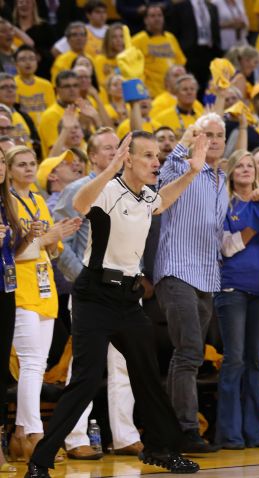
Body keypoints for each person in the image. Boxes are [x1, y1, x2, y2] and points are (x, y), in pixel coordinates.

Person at [24, 131, 208, 478]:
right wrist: (110, 168)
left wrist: (192, 171)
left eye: (157, 156)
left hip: (128, 297)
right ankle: (40, 461)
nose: (157, 162)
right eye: (148, 156)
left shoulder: (147, 194)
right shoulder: (107, 191)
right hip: (94, 296)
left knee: (147, 375)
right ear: (129, 159)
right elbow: (79, 204)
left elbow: (162, 202)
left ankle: (161, 449)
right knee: (87, 379)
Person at [51, 128, 143, 459]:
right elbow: (61, 243)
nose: (114, 154)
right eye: (106, 149)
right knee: (85, 364)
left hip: (126, 288)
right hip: (92, 289)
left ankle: (125, 435)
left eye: (118, 148)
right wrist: (84, 279)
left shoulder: (133, 189)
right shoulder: (78, 190)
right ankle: (75, 437)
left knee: (124, 363)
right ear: (91, 156)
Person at [153, 114, 231, 453]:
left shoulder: (222, 178)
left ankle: (176, 429)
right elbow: (165, 171)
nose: (213, 140)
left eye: (218, 135)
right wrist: (187, 139)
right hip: (177, 270)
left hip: (207, 274)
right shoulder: (180, 169)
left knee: (188, 355)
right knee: (188, 353)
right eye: (206, 135)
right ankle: (185, 431)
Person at [5, 146, 81, 462]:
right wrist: (48, 238)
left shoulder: (38, 201)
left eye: (32, 163)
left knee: (37, 364)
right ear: (8, 170)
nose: (27, 168)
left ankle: (22, 435)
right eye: (20, 164)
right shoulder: (6, 202)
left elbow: (51, 250)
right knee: (31, 365)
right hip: (20, 288)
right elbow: (16, 250)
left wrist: (52, 239)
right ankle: (33, 433)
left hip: (45, 287)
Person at [214, 150, 259, 449]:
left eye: (250, 165)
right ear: (230, 171)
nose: (246, 169)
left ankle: (256, 432)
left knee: (254, 361)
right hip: (231, 290)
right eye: (239, 165)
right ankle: (229, 433)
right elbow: (225, 247)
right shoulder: (224, 204)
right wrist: (255, 224)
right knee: (234, 359)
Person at [0, 147, 22, 473]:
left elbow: (11, 252)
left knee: (2, 370)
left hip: (6, 290)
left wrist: (26, 238)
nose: (0, 166)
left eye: (2, 160)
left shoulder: (8, 203)